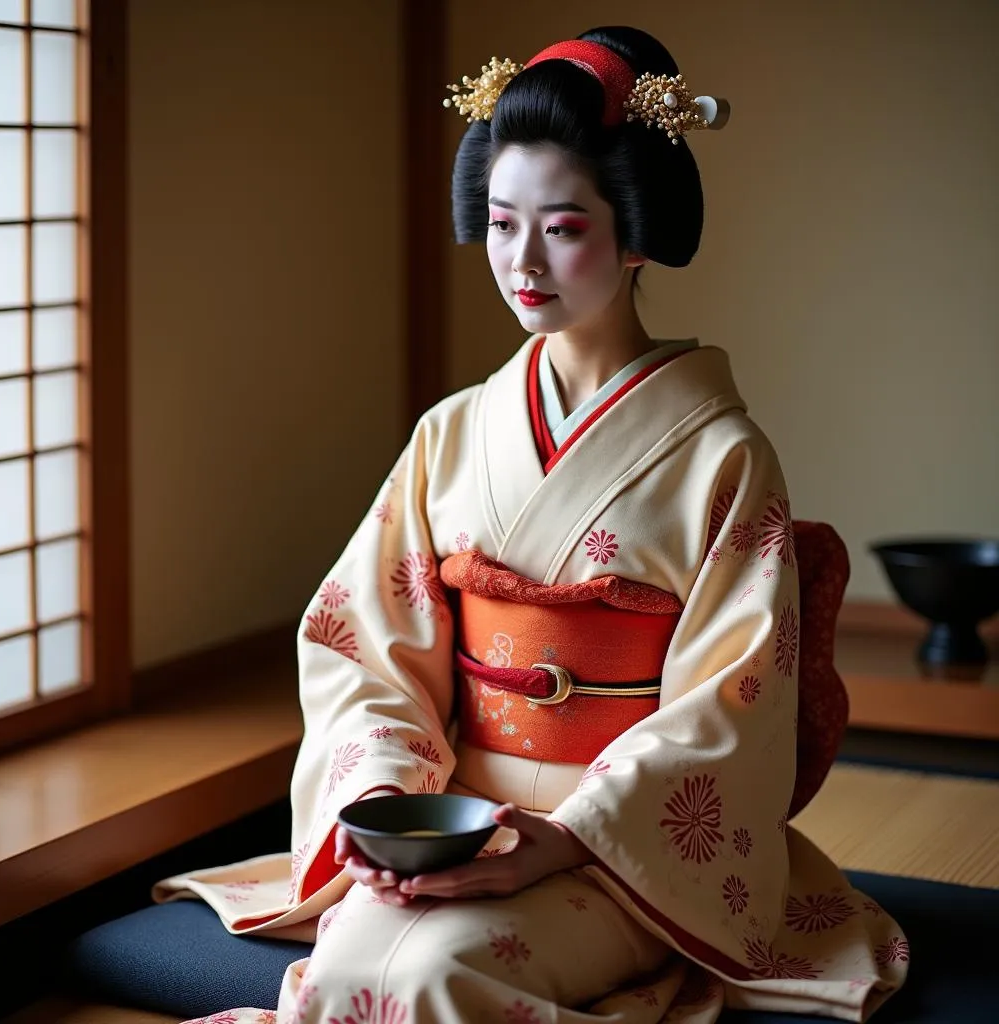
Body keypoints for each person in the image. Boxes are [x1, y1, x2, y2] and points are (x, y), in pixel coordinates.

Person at [158, 25, 908, 1023]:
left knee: (431, 976)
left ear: (634, 231)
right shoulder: (452, 433)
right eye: (502, 223)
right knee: (351, 973)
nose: (520, 259)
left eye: (561, 227)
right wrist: (388, 812)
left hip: (619, 849)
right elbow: (360, 645)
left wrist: (568, 835)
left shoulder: (722, 455)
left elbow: (731, 704)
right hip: (452, 826)